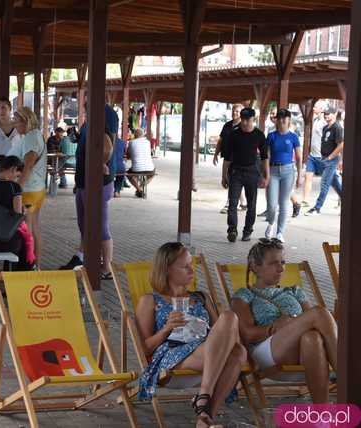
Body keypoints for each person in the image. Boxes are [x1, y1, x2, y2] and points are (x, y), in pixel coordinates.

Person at [135, 242, 246, 428]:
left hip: (206, 349)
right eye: (185, 266)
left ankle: (205, 415)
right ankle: (204, 399)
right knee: (238, 351)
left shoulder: (200, 297)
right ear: (167, 269)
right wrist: (166, 329)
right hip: (173, 353)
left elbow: (224, 332)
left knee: (235, 338)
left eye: (191, 264)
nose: (191, 269)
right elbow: (145, 348)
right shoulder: (150, 301)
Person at [231, 239, 337, 403]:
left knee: (313, 338)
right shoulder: (244, 296)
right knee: (320, 313)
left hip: (303, 351)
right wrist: (274, 328)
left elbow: (315, 326)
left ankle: (321, 416)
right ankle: (349, 378)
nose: (281, 268)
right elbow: (247, 334)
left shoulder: (294, 291)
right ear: (255, 267)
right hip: (266, 351)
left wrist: (294, 325)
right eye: (274, 263)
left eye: (283, 262)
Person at [60, 105, 116, 279]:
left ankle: (106, 267)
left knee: (101, 226)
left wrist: (103, 163)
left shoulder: (104, 122)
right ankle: (85, 258)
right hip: (84, 181)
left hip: (99, 183)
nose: (85, 112)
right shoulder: (88, 124)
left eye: (87, 109)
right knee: (84, 223)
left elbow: (108, 145)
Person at [221, 107, 269, 243]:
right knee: (233, 203)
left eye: (248, 120)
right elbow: (227, 158)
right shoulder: (234, 135)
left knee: (251, 204)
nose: (245, 122)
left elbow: (265, 157)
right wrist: (224, 176)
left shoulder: (259, 135)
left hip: (252, 173)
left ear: (253, 119)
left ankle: (248, 230)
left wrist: (266, 176)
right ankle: (232, 230)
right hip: (236, 172)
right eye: (243, 119)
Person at [8, 107, 46, 267]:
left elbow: (28, 165)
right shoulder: (34, 136)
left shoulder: (31, 138)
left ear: (25, 121)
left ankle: (28, 264)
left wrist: (17, 188)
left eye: (16, 121)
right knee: (34, 228)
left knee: (27, 230)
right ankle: (35, 265)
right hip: (36, 189)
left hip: (28, 190)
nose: (14, 124)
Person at [262, 109, 301, 243]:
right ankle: (271, 223)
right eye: (280, 118)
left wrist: (299, 175)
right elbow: (265, 156)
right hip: (273, 170)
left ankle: (280, 233)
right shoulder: (271, 136)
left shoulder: (293, 137)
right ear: (276, 120)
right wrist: (266, 174)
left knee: (284, 203)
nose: (282, 120)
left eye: (285, 118)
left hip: (288, 171)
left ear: (289, 120)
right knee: (272, 205)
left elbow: (299, 157)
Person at [305, 107, 344, 216]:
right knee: (335, 183)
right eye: (325, 114)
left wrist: (331, 158)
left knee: (324, 183)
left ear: (335, 114)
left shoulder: (337, 127)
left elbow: (341, 145)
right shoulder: (325, 127)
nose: (326, 115)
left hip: (331, 160)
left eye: (329, 113)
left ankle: (317, 207)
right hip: (324, 158)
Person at [214, 104, 247, 214]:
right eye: (233, 110)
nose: (235, 113)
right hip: (227, 156)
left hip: (238, 158)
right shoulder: (227, 125)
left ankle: (229, 203)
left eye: (237, 111)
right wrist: (215, 154)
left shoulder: (244, 126)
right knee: (232, 179)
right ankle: (243, 203)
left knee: (232, 180)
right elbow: (220, 140)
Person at [126, 129, 156, 198]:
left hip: (137, 169)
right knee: (152, 174)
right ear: (143, 135)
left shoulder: (131, 142)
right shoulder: (148, 142)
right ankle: (141, 187)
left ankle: (139, 189)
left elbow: (128, 156)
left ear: (135, 135)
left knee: (128, 174)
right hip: (149, 168)